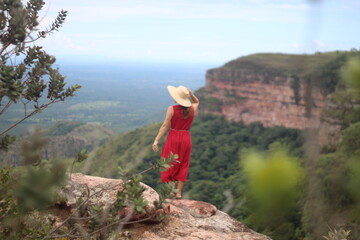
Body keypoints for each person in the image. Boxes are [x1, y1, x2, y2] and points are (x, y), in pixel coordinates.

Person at [152, 85, 199, 199]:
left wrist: (156, 140)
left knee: (168, 161)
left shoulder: (172, 109)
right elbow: (197, 101)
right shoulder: (192, 109)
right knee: (183, 163)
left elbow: (165, 125)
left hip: (173, 137)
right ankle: (178, 193)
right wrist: (191, 95)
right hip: (186, 138)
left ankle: (170, 191)